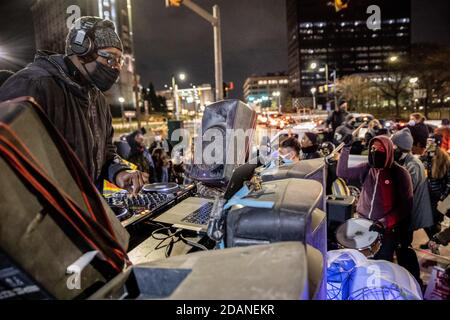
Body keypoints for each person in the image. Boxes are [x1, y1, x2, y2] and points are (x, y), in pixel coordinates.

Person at [0, 16, 147, 193]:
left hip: (85, 212)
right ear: (82, 50)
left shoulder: (98, 99)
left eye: (119, 60)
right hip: (49, 215)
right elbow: (8, 165)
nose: (116, 67)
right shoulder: (33, 85)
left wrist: (119, 172)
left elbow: (106, 152)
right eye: (110, 59)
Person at [337, 135, 417, 283]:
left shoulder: (400, 173)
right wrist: (345, 149)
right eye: (372, 148)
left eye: (380, 149)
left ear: (388, 151)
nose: (375, 152)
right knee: (360, 266)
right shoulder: (366, 168)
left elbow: (406, 206)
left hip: (386, 231)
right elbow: (342, 173)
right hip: (363, 225)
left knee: (381, 268)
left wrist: (384, 222)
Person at [391, 128, 433, 283]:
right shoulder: (404, 162)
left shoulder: (413, 165)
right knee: (402, 249)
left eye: (394, 147)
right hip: (403, 214)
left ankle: (414, 281)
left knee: (404, 249)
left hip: (407, 216)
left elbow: (406, 192)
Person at [422, 143, 450, 246]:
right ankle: (434, 240)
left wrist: (443, 197)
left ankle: (435, 241)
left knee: (435, 220)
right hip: (432, 196)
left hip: (443, 198)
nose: (429, 156)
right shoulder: (430, 161)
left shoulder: (446, 162)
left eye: (430, 154)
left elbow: (449, 183)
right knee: (427, 219)